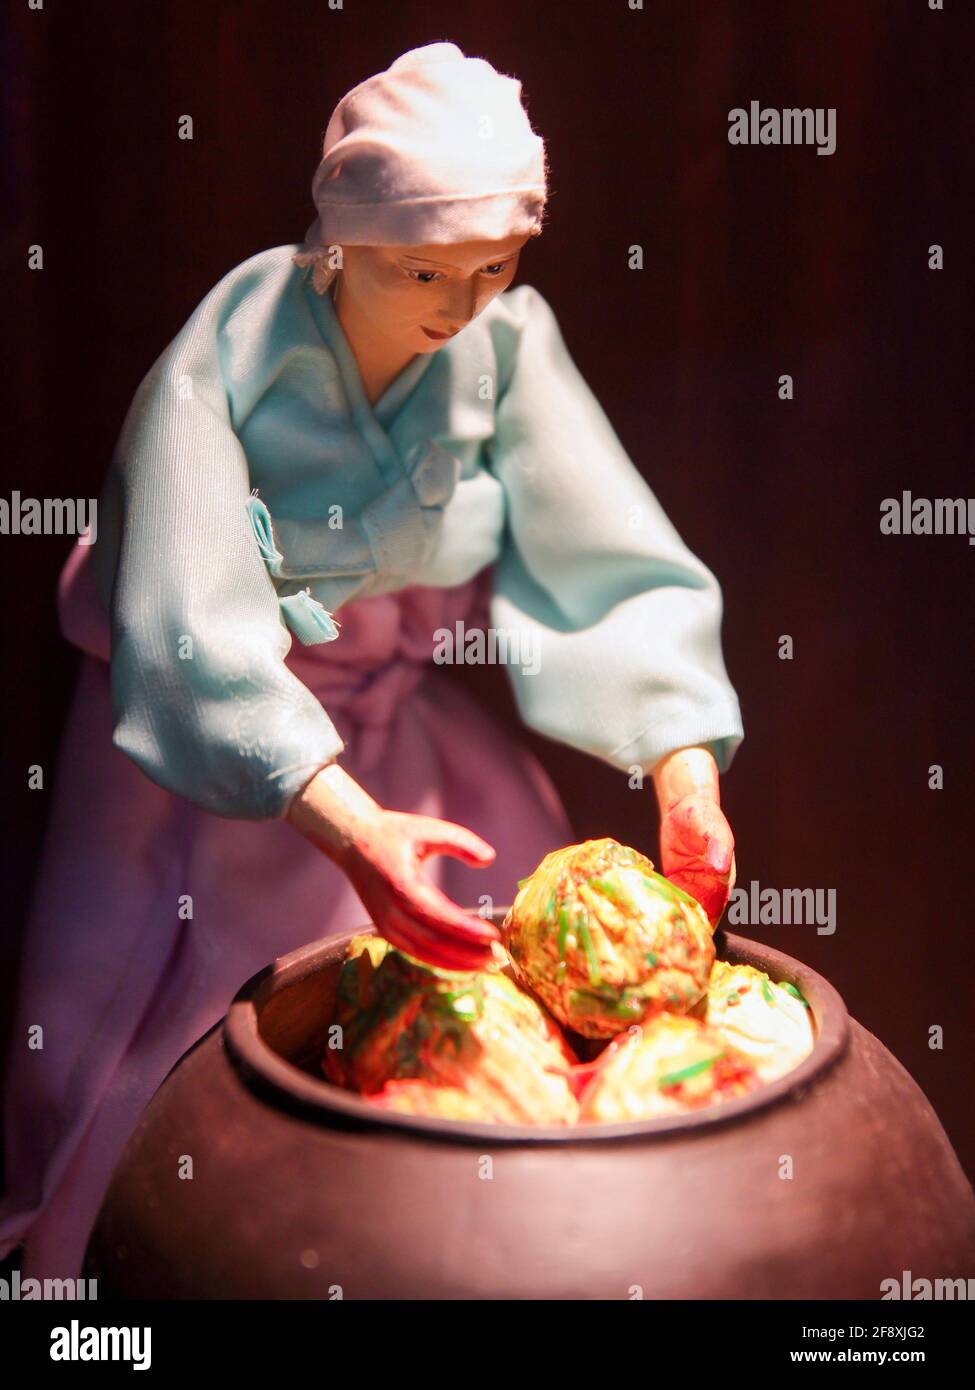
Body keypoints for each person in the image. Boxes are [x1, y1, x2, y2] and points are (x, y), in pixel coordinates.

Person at [0, 41, 743, 1277]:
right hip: (218, 753)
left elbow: (607, 549)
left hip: (401, 736)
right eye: (421, 271)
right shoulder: (226, 357)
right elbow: (183, 620)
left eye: (495, 267)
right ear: (341, 238)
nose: (461, 306)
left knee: (486, 992)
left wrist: (683, 774)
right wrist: (352, 831)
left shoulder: (506, 345)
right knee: (169, 1038)